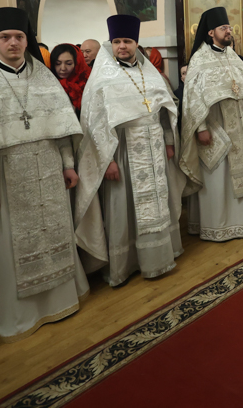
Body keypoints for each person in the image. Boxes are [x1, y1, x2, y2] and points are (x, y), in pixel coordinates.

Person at [0, 8, 88, 343]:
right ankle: (16, 317)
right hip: (2, 176)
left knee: (53, 234)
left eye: (19, 37)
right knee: (6, 248)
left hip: (48, 169)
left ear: (28, 40)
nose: (13, 42)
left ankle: (60, 302)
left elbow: (61, 129)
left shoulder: (44, 77)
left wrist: (68, 164)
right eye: (5, 37)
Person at [74, 15, 184, 286]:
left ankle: (158, 257)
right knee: (124, 209)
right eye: (117, 41)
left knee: (157, 203)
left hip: (155, 147)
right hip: (122, 149)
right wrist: (107, 160)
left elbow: (165, 110)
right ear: (111, 44)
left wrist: (169, 141)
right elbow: (94, 123)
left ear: (136, 43)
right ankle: (126, 265)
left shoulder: (150, 73)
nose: (122, 46)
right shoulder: (102, 77)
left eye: (127, 41)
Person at [178, 7, 243, 242]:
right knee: (217, 177)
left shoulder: (231, 55)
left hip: (237, 125)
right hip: (215, 126)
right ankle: (216, 225)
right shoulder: (200, 59)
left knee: (237, 173)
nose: (228, 31)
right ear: (210, 32)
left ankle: (241, 221)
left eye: (229, 28)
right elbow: (193, 98)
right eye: (223, 28)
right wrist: (201, 128)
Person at [50, 43, 91, 116]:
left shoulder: (88, 84)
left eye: (68, 64)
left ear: (78, 63)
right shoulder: (48, 85)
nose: (63, 68)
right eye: (57, 63)